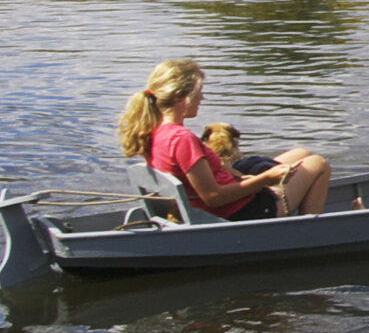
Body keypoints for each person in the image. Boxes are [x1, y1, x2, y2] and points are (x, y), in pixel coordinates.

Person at [119, 59, 332, 221]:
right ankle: (308, 232)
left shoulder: (154, 132)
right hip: (238, 211)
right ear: (183, 98)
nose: (202, 98)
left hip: (213, 204)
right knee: (318, 164)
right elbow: (213, 197)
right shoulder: (182, 139)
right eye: (199, 92)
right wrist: (264, 180)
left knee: (301, 154)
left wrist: (244, 177)